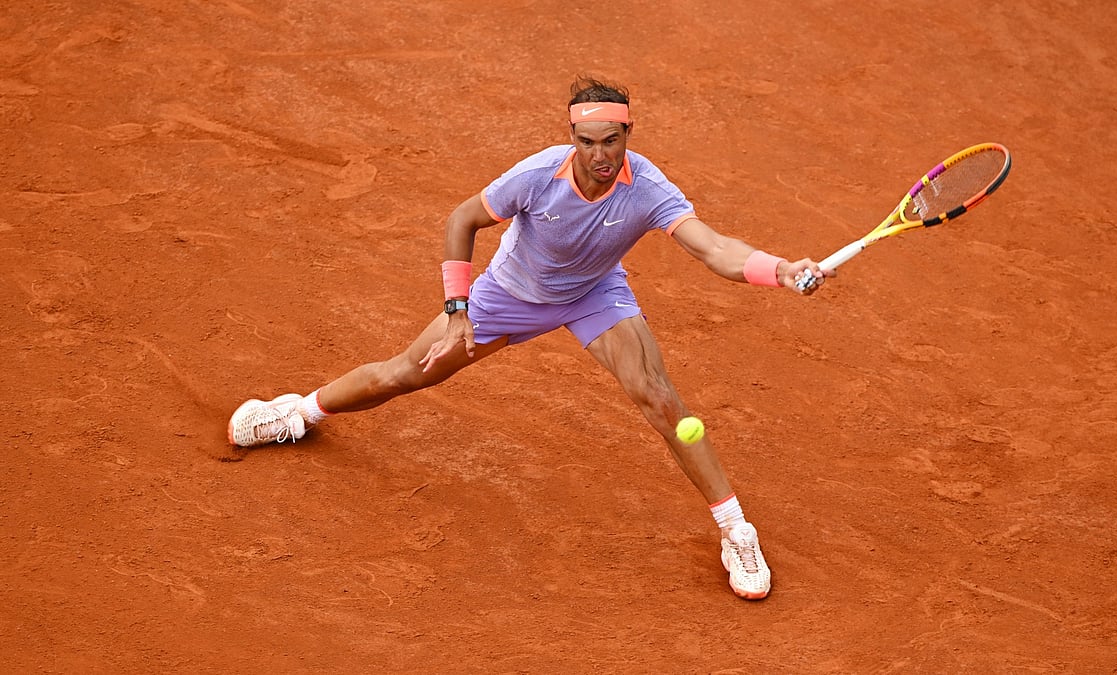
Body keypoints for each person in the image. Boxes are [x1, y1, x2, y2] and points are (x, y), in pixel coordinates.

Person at [227, 77, 829, 601]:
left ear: (628, 134)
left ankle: (736, 531)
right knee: (403, 374)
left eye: (611, 141)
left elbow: (714, 248)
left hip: (594, 294)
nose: (599, 155)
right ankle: (300, 412)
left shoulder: (647, 187)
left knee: (658, 396)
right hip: (508, 295)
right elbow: (462, 219)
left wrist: (779, 270)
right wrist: (458, 309)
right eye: (587, 141)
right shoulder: (538, 176)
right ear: (573, 137)